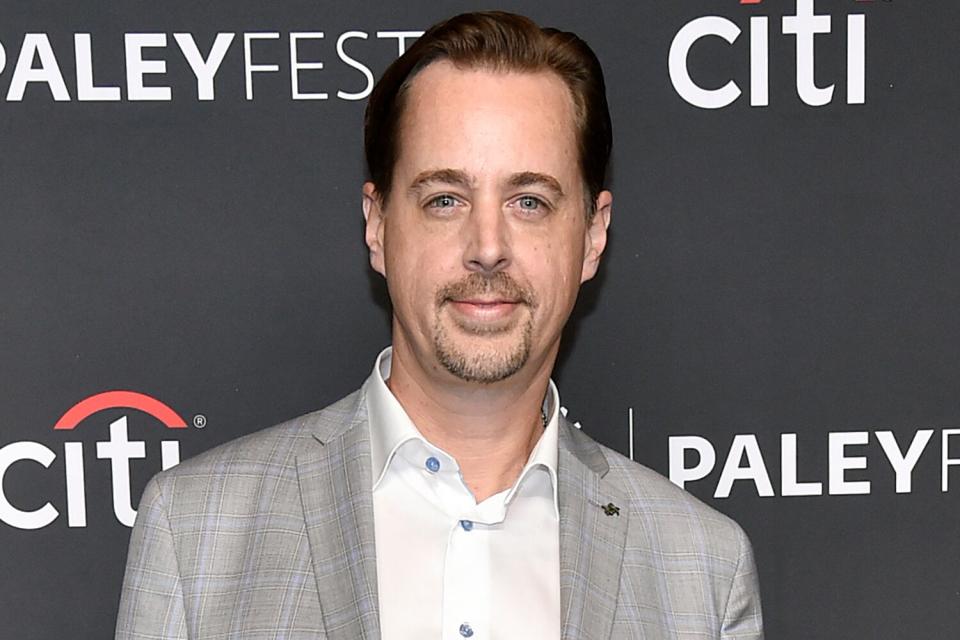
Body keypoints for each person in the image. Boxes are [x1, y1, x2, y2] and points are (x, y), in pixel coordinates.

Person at [116, 11, 763, 640]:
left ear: (593, 236)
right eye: (445, 199)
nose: (487, 246)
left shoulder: (703, 568)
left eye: (529, 201)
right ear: (378, 225)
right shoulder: (196, 532)